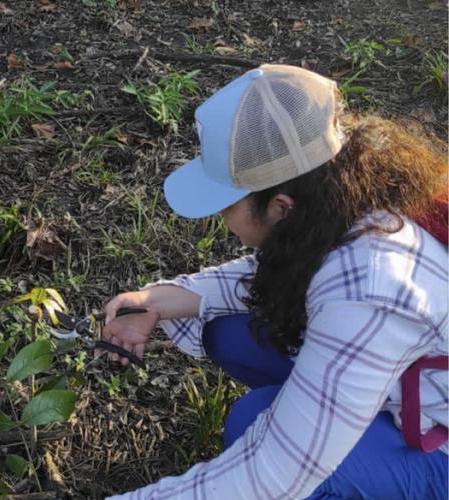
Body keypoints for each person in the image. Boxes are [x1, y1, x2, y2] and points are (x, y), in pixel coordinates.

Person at [100, 64, 448, 498]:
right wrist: (161, 298)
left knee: (254, 425)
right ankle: (332, 415)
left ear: (281, 207)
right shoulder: (351, 184)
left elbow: (270, 477)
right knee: (228, 331)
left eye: (227, 207)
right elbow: (284, 267)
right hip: (403, 372)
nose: (222, 221)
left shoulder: (370, 289)